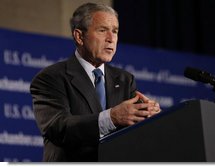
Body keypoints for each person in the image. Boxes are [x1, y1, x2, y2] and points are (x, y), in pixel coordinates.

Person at [30, 2, 161, 162]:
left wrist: (149, 117)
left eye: (115, 31)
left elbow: (134, 134)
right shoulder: (51, 77)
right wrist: (111, 118)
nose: (111, 39)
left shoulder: (125, 80)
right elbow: (58, 128)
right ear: (79, 36)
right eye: (102, 30)